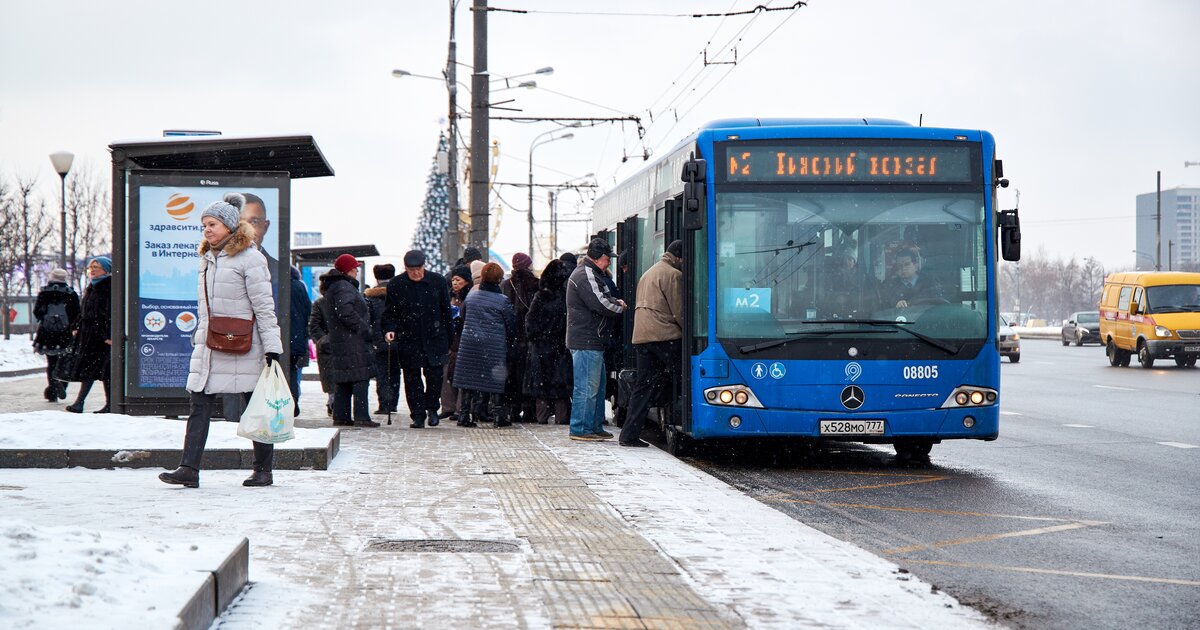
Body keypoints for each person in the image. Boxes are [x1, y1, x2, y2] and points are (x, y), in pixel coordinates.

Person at [159, 193, 282, 488]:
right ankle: (188, 468)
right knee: (199, 404)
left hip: (244, 346)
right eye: (204, 225)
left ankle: (263, 470)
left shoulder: (251, 258)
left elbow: (264, 306)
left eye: (212, 224)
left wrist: (272, 347)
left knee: (254, 406)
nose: (207, 230)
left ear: (229, 226)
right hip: (210, 345)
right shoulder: (207, 259)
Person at [619, 240, 684, 447]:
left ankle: (629, 434)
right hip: (665, 337)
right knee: (684, 378)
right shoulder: (674, 275)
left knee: (643, 387)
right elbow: (679, 311)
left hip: (642, 337)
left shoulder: (649, 272)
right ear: (680, 258)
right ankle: (679, 420)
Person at [383, 250, 453, 429]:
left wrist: (449, 337)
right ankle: (418, 414)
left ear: (424, 265)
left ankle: (432, 408)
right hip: (409, 338)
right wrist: (390, 329)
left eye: (419, 269)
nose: (416, 273)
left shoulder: (437, 282)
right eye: (411, 269)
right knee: (412, 379)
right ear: (405, 268)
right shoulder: (396, 284)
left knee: (435, 376)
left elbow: (446, 311)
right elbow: (390, 312)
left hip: (434, 337)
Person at [565, 238, 627, 441]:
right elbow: (601, 303)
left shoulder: (592, 273)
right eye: (608, 258)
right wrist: (619, 307)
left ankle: (593, 426)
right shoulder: (585, 275)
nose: (610, 262)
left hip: (592, 340)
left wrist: (614, 301)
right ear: (599, 258)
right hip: (586, 340)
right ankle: (581, 428)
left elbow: (605, 297)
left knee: (596, 387)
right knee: (587, 387)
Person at [454, 262, 515, 427]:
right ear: (499, 280)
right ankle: (498, 416)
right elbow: (510, 324)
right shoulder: (502, 300)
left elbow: (463, 315)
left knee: (468, 379)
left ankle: (464, 416)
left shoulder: (472, 296)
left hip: (470, 343)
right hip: (493, 345)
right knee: (495, 379)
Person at [321, 254, 379, 428]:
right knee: (360, 378)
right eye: (355, 268)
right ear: (348, 270)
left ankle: (341, 415)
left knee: (344, 379)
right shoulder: (344, 286)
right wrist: (363, 328)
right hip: (351, 340)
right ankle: (361, 416)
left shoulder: (335, 286)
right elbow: (345, 311)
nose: (357, 271)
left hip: (341, 339)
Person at [523, 259, 572, 425]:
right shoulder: (567, 298)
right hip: (561, 347)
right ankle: (561, 420)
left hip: (541, 349)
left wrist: (535, 338)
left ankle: (542, 419)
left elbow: (530, 323)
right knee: (560, 389)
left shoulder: (541, 296)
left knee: (541, 389)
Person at [64, 256, 113, 414]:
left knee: (104, 371)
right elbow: (85, 310)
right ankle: (82, 403)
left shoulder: (108, 287)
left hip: (100, 336)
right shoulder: (92, 287)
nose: (92, 270)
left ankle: (104, 404)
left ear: (106, 270)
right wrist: (77, 325)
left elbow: (107, 313)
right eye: (91, 267)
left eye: (96, 267)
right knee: (92, 370)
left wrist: (107, 334)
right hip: (89, 335)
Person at [501, 252, 539, 422]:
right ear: (528, 266)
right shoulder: (536, 284)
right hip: (531, 337)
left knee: (512, 374)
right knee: (529, 373)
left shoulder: (505, 285)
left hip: (511, 337)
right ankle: (530, 410)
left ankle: (513, 409)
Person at [33, 268, 80, 402]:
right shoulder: (71, 293)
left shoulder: (44, 293)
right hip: (65, 333)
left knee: (51, 363)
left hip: (46, 333)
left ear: (52, 277)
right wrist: (73, 327)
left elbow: (37, 312)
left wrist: (46, 319)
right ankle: (62, 385)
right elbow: (77, 313)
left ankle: (53, 389)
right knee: (65, 362)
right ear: (64, 278)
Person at [438, 265, 473, 422]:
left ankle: (460, 408)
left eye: (458, 280)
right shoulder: (449, 296)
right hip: (450, 340)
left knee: (460, 375)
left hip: (463, 340)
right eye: (453, 280)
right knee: (447, 375)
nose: (454, 283)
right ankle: (448, 407)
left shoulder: (469, 297)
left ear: (466, 281)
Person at [365, 263, 399, 415]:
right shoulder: (398, 295)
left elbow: (367, 320)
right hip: (397, 339)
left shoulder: (371, 298)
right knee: (395, 372)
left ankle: (384, 404)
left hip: (378, 341)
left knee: (382, 374)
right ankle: (393, 403)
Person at [308, 277, 338, 421]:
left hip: (331, 347)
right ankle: (333, 404)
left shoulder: (321, 303)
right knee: (332, 379)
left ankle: (334, 404)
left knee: (333, 379)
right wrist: (325, 340)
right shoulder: (321, 303)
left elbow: (314, 325)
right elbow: (314, 325)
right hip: (329, 348)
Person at [287, 266, 312, 417]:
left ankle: (282, 403)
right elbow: (308, 310)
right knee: (291, 371)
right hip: (295, 339)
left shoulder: (274, 285)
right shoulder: (299, 287)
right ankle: (293, 402)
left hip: (278, 338)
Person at [239, 192, 279, 282]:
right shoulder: (214, 266)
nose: (246, 231)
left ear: (265, 227)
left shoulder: (279, 271)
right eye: (239, 222)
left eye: (254, 222)